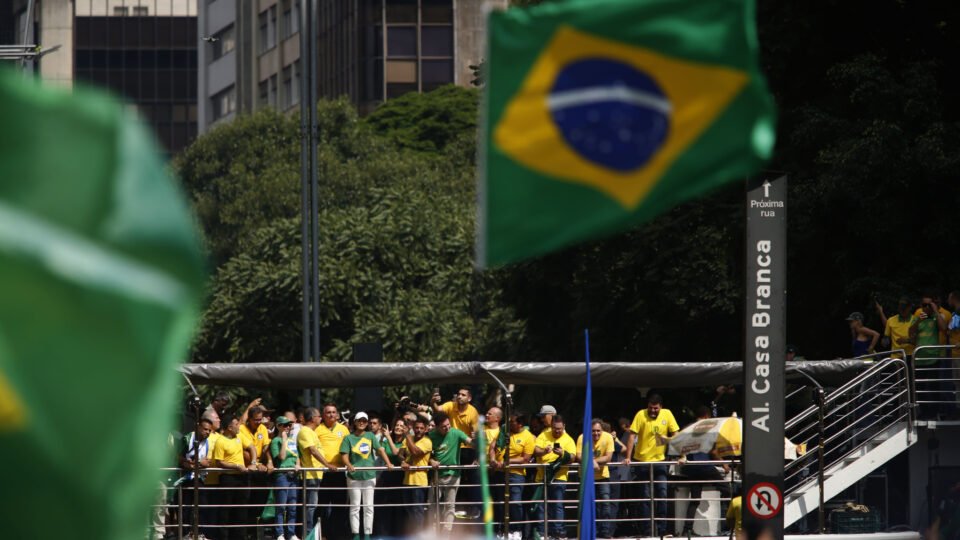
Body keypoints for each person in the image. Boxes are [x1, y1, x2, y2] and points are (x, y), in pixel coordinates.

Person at [623, 394, 680, 537]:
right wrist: (628, 457)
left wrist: (675, 448)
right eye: (650, 408)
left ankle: (662, 530)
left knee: (662, 494)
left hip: (660, 461)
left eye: (655, 408)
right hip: (642, 461)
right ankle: (647, 532)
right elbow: (632, 436)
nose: (653, 411)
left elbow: (676, 435)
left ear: (661, 407)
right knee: (646, 496)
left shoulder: (667, 414)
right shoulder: (640, 414)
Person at [679, 406, 732, 536]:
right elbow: (713, 452)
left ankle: (687, 530)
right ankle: (731, 524)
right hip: (705, 466)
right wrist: (724, 464)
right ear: (707, 416)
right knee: (727, 490)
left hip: (692, 467)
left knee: (695, 500)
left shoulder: (687, 428)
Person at [341, 412, 394, 540]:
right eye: (359, 420)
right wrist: (348, 464)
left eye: (364, 421)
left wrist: (388, 463)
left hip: (369, 476)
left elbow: (380, 450)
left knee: (368, 506)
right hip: (354, 477)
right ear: (355, 422)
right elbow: (344, 455)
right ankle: (356, 534)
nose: (362, 423)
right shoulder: (348, 438)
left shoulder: (370, 436)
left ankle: (367, 534)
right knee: (355, 506)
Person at [532, 415, 577, 540]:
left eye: (559, 429)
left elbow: (573, 457)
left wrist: (563, 453)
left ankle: (558, 532)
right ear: (551, 426)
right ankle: (542, 532)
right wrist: (544, 451)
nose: (557, 431)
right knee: (541, 506)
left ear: (564, 427)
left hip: (559, 477)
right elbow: (535, 451)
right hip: (542, 477)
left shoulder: (568, 439)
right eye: (555, 428)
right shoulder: (543, 435)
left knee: (557, 505)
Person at [427, 411, 473, 532]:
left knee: (450, 506)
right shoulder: (431, 436)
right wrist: (431, 461)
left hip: (453, 474)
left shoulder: (456, 433)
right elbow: (426, 454)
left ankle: (446, 533)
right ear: (437, 427)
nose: (447, 428)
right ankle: (432, 532)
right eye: (444, 426)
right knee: (432, 504)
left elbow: (471, 442)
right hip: (437, 475)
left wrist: (477, 440)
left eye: (448, 424)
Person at [492, 413, 535, 540]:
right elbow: (493, 446)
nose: (509, 424)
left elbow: (525, 459)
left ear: (520, 424)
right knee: (500, 503)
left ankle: (516, 530)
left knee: (515, 502)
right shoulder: (504, 432)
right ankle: (501, 530)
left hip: (516, 474)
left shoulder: (528, 437)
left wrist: (507, 461)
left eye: (512, 422)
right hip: (500, 472)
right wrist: (493, 459)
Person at [297, 407, 338, 534]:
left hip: (316, 474)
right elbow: (313, 451)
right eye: (319, 416)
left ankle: (311, 532)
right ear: (312, 418)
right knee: (311, 506)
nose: (321, 418)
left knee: (314, 506)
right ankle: (308, 533)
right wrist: (327, 464)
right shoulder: (305, 431)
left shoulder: (312, 432)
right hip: (310, 475)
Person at [212, 415, 250, 540]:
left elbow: (251, 447)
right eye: (237, 424)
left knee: (241, 510)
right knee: (225, 510)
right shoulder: (220, 441)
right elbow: (219, 462)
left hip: (242, 478)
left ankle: (239, 537)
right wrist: (236, 466)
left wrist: (254, 462)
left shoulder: (239, 436)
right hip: (228, 478)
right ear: (229, 427)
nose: (239, 426)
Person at [577, 419, 615, 538]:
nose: (596, 433)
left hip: (603, 476)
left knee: (605, 503)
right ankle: (590, 530)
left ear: (602, 430)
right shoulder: (582, 437)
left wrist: (593, 461)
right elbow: (578, 456)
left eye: (598, 431)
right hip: (586, 477)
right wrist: (592, 462)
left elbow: (608, 457)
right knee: (587, 504)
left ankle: (605, 531)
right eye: (593, 431)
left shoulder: (608, 437)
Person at [316, 403, 350, 538]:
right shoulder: (318, 429)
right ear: (323, 415)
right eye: (328, 412)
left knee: (339, 505)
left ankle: (338, 535)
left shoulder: (344, 429)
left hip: (339, 472)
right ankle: (323, 534)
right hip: (323, 472)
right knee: (322, 505)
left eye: (333, 412)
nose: (331, 415)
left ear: (337, 415)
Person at [239, 406, 273, 537]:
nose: (259, 422)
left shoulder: (263, 428)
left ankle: (255, 533)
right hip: (247, 470)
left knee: (260, 502)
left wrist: (269, 461)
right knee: (246, 503)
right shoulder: (241, 429)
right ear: (249, 419)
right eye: (256, 420)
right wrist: (256, 464)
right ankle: (245, 533)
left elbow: (266, 447)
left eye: (260, 419)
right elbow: (245, 451)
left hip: (260, 470)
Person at [179, 417, 215, 539]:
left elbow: (207, 461)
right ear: (198, 427)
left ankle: (199, 533)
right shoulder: (187, 439)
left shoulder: (207, 442)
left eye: (209, 430)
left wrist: (200, 464)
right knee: (186, 508)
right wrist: (198, 463)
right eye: (205, 429)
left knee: (202, 507)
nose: (207, 432)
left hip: (200, 478)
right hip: (186, 478)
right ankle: (186, 534)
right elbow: (179, 458)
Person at [374, 417, 407, 538]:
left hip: (400, 476)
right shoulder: (387, 439)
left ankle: (398, 535)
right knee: (384, 507)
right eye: (397, 425)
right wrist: (383, 437)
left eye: (402, 426)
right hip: (387, 475)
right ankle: (383, 535)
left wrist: (388, 437)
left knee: (398, 508)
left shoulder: (406, 441)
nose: (398, 427)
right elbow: (378, 452)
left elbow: (396, 453)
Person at [270, 416, 301, 540]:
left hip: (293, 476)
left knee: (292, 507)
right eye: (285, 425)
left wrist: (298, 465)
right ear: (278, 426)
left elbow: (296, 456)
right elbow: (281, 457)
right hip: (282, 476)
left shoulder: (292, 440)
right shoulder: (275, 441)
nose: (288, 427)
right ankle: (279, 533)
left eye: (289, 425)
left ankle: (291, 533)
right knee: (281, 506)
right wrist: (283, 440)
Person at [401, 416, 433, 534]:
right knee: (408, 510)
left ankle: (419, 535)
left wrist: (407, 435)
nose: (418, 430)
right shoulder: (409, 438)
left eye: (421, 428)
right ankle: (413, 533)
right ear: (413, 428)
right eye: (416, 428)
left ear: (426, 429)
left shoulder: (427, 441)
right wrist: (402, 461)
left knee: (417, 510)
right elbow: (400, 453)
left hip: (419, 481)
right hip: (407, 480)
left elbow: (415, 452)